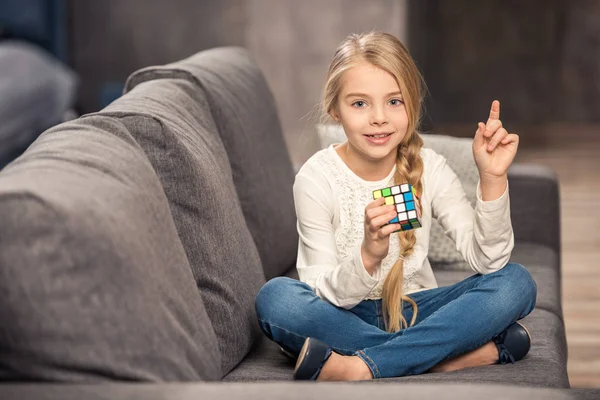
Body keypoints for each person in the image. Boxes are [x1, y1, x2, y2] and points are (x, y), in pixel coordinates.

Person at [254, 31, 537, 381]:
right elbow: (319, 290)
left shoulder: (429, 167)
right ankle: (439, 356)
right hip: (343, 315)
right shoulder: (316, 177)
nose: (379, 118)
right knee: (277, 299)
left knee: (515, 282)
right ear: (335, 111)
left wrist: (492, 179)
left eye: (394, 101)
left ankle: (361, 365)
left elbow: (488, 261)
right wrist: (369, 255)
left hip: (417, 309)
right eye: (360, 103)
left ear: (412, 105)